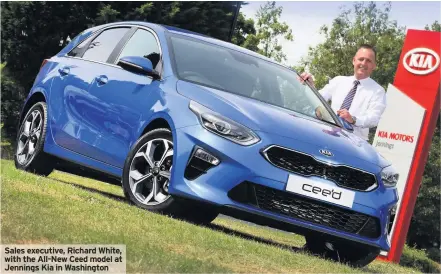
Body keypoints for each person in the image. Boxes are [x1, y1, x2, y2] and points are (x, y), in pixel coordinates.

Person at [300, 44, 387, 141]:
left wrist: (353, 119)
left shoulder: (378, 91)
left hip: (355, 141)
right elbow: (318, 99)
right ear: (354, 61)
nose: (364, 63)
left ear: (374, 66)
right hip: (326, 134)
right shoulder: (338, 81)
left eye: (369, 61)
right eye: (361, 59)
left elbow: (374, 118)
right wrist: (310, 86)